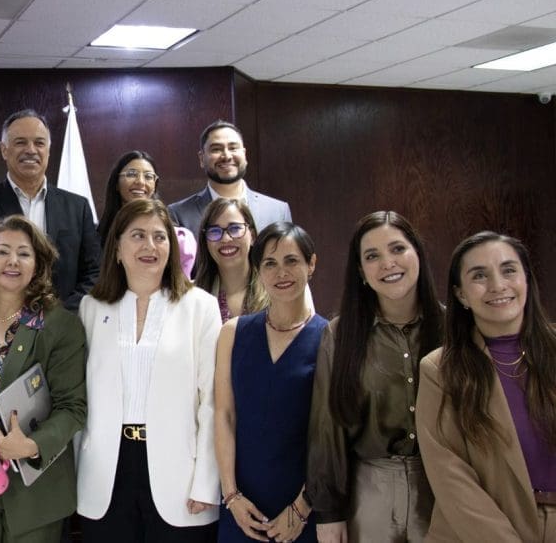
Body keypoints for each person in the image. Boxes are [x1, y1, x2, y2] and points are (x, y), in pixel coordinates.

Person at [78, 199, 221, 541]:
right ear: (116, 249)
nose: (150, 246)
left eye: (160, 237)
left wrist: (206, 481)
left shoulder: (199, 307)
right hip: (105, 473)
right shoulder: (92, 307)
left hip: (180, 474)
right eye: (138, 235)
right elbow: (79, 398)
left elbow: (213, 401)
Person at [0, 214, 87, 543]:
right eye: (2, 251)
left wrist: (31, 445)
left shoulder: (59, 325)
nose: (13, 261)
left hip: (34, 484)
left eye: (24, 253)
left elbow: (73, 407)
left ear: (38, 264)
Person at [307, 211, 442, 542]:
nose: (388, 263)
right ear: (361, 272)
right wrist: (329, 512)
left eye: (398, 249)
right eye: (372, 256)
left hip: (443, 487)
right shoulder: (341, 334)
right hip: (369, 490)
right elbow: (328, 426)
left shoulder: (453, 328)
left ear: (417, 254)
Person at [417, 232, 556, 542]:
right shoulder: (439, 370)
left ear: (526, 279)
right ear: (461, 294)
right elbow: (451, 478)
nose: (497, 285)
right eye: (479, 275)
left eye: (509, 270)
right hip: (478, 532)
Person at [215, 222, 326, 543]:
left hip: (304, 509)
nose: (282, 273)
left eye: (292, 261)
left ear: (312, 264)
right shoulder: (233, 333)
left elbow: (331, 436)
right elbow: (224, 415)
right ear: (258, 269)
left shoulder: (330, 337)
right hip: (241, 506)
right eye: (270, 263)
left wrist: (303, 507)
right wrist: (231, 496)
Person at [0, 109, 100, 311]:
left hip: (64, 327)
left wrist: (62, 317)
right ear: (4, 150)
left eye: (39, 143)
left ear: (48, 150)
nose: (31, 150)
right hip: (2, 327)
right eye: (20, 142)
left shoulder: (78, 207)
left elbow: (93, 272)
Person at [169, 121, 291, 237]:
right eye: (216, 149)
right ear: (202, 159)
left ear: (244, 154)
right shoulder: (178, 214)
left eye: (233, 148)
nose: (227, 156)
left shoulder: (278, 211)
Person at [97, 151, 196, 278]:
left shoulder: (177, 238)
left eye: (148, 176)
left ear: (155, 185)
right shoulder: (98, 236)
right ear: (116, 183)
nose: (140, 182)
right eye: (132, 174)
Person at [193, 198, 267, 323]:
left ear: (253, 236)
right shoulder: (192, 296)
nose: (226, 239)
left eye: (235, 228)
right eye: (214, 231)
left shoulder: (276, 287)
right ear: (205, 242)